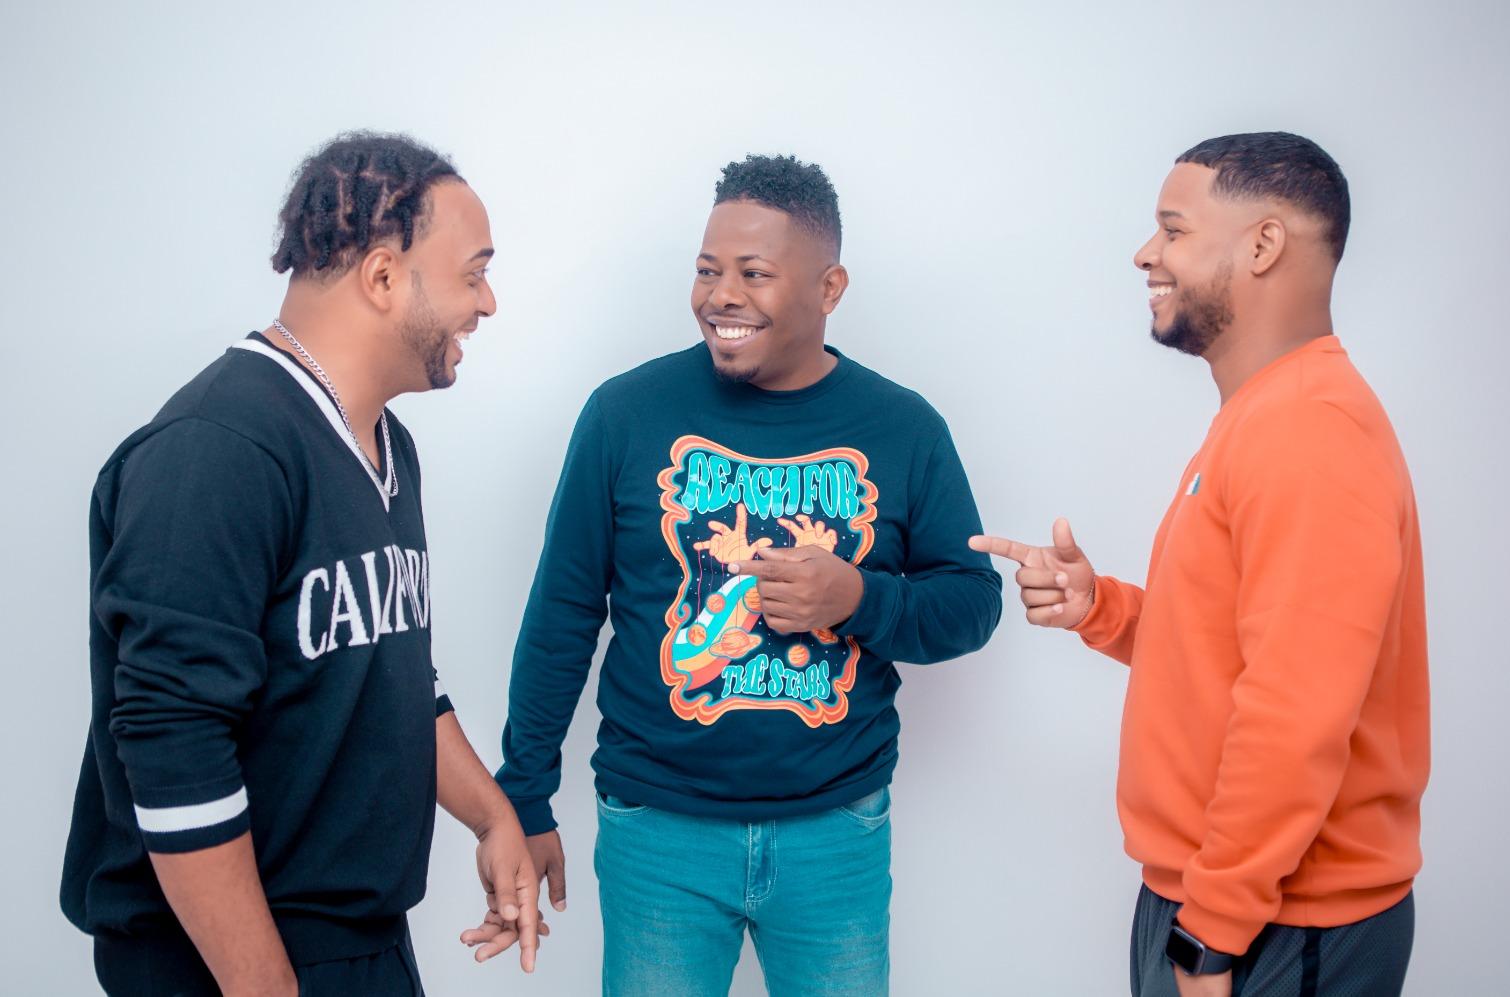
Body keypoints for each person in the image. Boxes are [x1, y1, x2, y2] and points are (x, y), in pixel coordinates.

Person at [496, 153, 1002, 995]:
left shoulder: (905, 427)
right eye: (707, 270)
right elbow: (563, 612)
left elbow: (973, 603)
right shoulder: (625, 413)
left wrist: (858, 597)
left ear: (829, 288)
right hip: (658, 829)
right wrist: (523, 794)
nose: (720, 295)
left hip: (835, 831)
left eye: (753, 273)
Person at [61, 132, 544, 996]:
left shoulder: (388, 444)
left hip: (360, 942)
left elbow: (390, 674)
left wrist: (490, 814)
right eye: (473, 273)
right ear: (384, 277)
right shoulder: (216, 448)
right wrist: (264, 983)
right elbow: (172, 744)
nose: (489, 302)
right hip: (229, 958)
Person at [972, 132, 1429, 997]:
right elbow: (1238, 649)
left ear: (1263, 244)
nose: (1147, 253)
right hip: (1222, 902)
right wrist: (1100, 607)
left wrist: (1211, 936)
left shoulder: (1310, 433)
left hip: (1276, 922)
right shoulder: (1263, 417)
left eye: (1174, 229)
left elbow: (1294, 716)